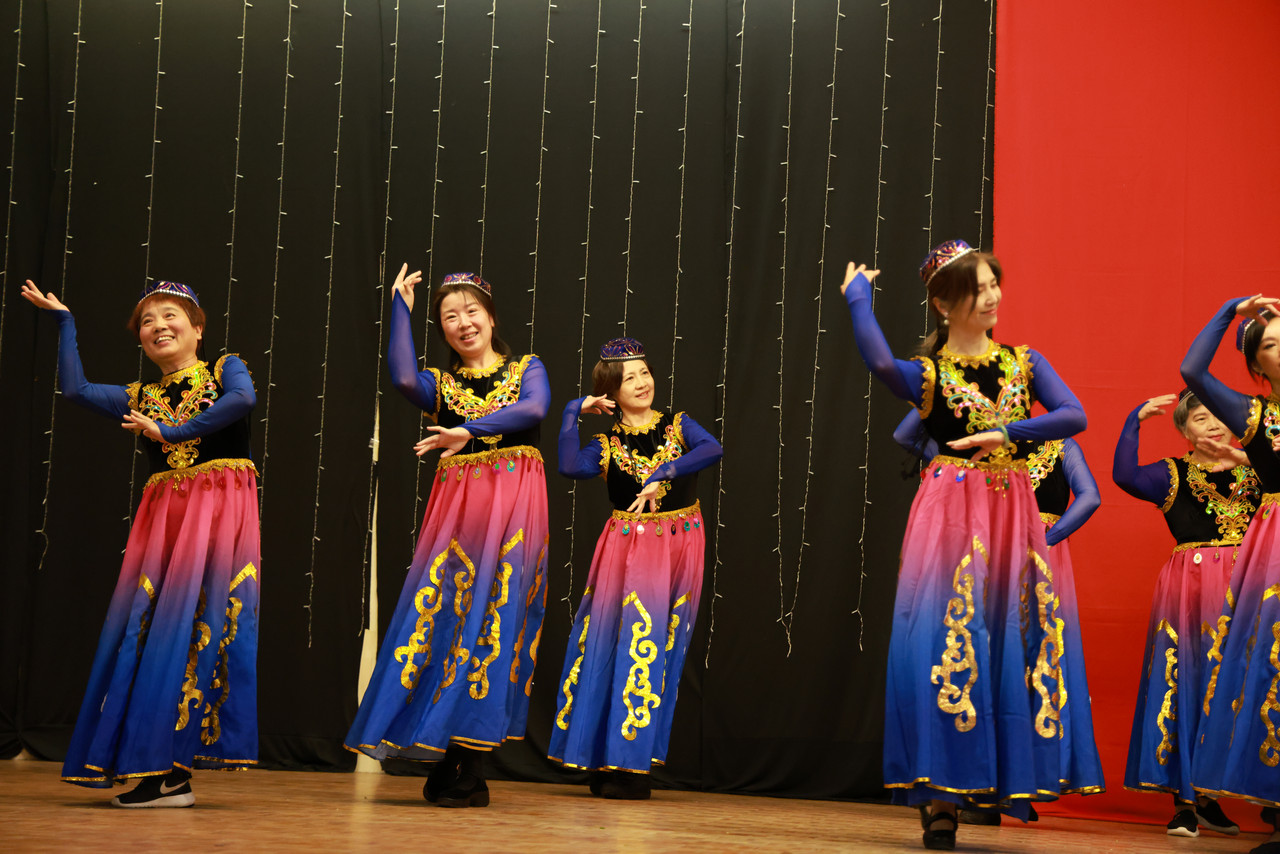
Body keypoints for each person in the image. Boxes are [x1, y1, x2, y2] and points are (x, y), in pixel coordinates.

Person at [842, 240, 1087, 850]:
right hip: (952, 510)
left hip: (1011, 509)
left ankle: (991, 778)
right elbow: (881, 365)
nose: (993, 296)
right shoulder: (929, 374)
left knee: (1008, 635)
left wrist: (1008, 432)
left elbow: (1073, 414)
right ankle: (940, 799)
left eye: (994, 283)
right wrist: (858, 300)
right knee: (946, 635)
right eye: (979, 288)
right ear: (944, 304)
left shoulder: (1024, 362)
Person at [21, 278, 261, 808]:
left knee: (198, 626)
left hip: (217, 510)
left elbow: (243, 400)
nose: (158, 326)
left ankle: (172, 772)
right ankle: (156, 769)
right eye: (147, 321)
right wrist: (65, 323)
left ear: (197, 328)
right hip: (164, 516)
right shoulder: (141, 396)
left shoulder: (225, 369)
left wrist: (169, 433)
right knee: (147, 630)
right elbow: (77, 391)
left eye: (170, 315)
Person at [345, 267, 550, 809]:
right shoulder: (442, 383)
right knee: (445, 617)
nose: (463, 323)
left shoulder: (527, 368)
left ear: (491, 316)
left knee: (497, 620)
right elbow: (402, 378)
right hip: (459, 511)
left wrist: (470, 430)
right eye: (449, 317)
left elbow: (534, 409)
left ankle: (468, 760)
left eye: (471, 311)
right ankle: (444, 752)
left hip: (515, 506)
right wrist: (401, 308)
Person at [893, 411, 1106, 818]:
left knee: (1013, 663)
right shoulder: (964, 444)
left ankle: (1006, 783)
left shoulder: (1056, 446)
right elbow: (905, 436)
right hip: (988, 554)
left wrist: (1046, 538)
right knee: (989, 660)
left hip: (1013, 558)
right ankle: (981, 786)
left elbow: (1090, 497)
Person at [548, 338, 722, 800]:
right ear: (611, 391)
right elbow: (569, 467)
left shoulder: (678, 424)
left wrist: (665, 472)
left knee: (659, 648)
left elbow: (712, 448)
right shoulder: (606, 444)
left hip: (680, 543)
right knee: (612, 644)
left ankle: (633, 764)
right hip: (629, 547)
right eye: (629, 378)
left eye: (645, 373)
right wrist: (571, 411)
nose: (642, 383)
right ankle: (603, 758)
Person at [1113, 389, 1257, 838]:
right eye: (1199, 418)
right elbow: (1124, 475)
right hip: (1192, 589)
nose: (1212, 424)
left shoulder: (1258, 470)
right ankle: (1186, 803)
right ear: (1184, 431)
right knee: (1189, 684)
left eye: (1219, 415)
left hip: (1251, 586)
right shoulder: (1172, 474)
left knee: (1245, 685)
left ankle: (1213, 796)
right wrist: (1133, 421)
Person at [1181, 296, 1280, 854]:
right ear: (1256, 364)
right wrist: (1229, 312)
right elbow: (1193, 370)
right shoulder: (1254, 415)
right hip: (1277, 541)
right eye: (1270, 345)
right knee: (1272, 666)